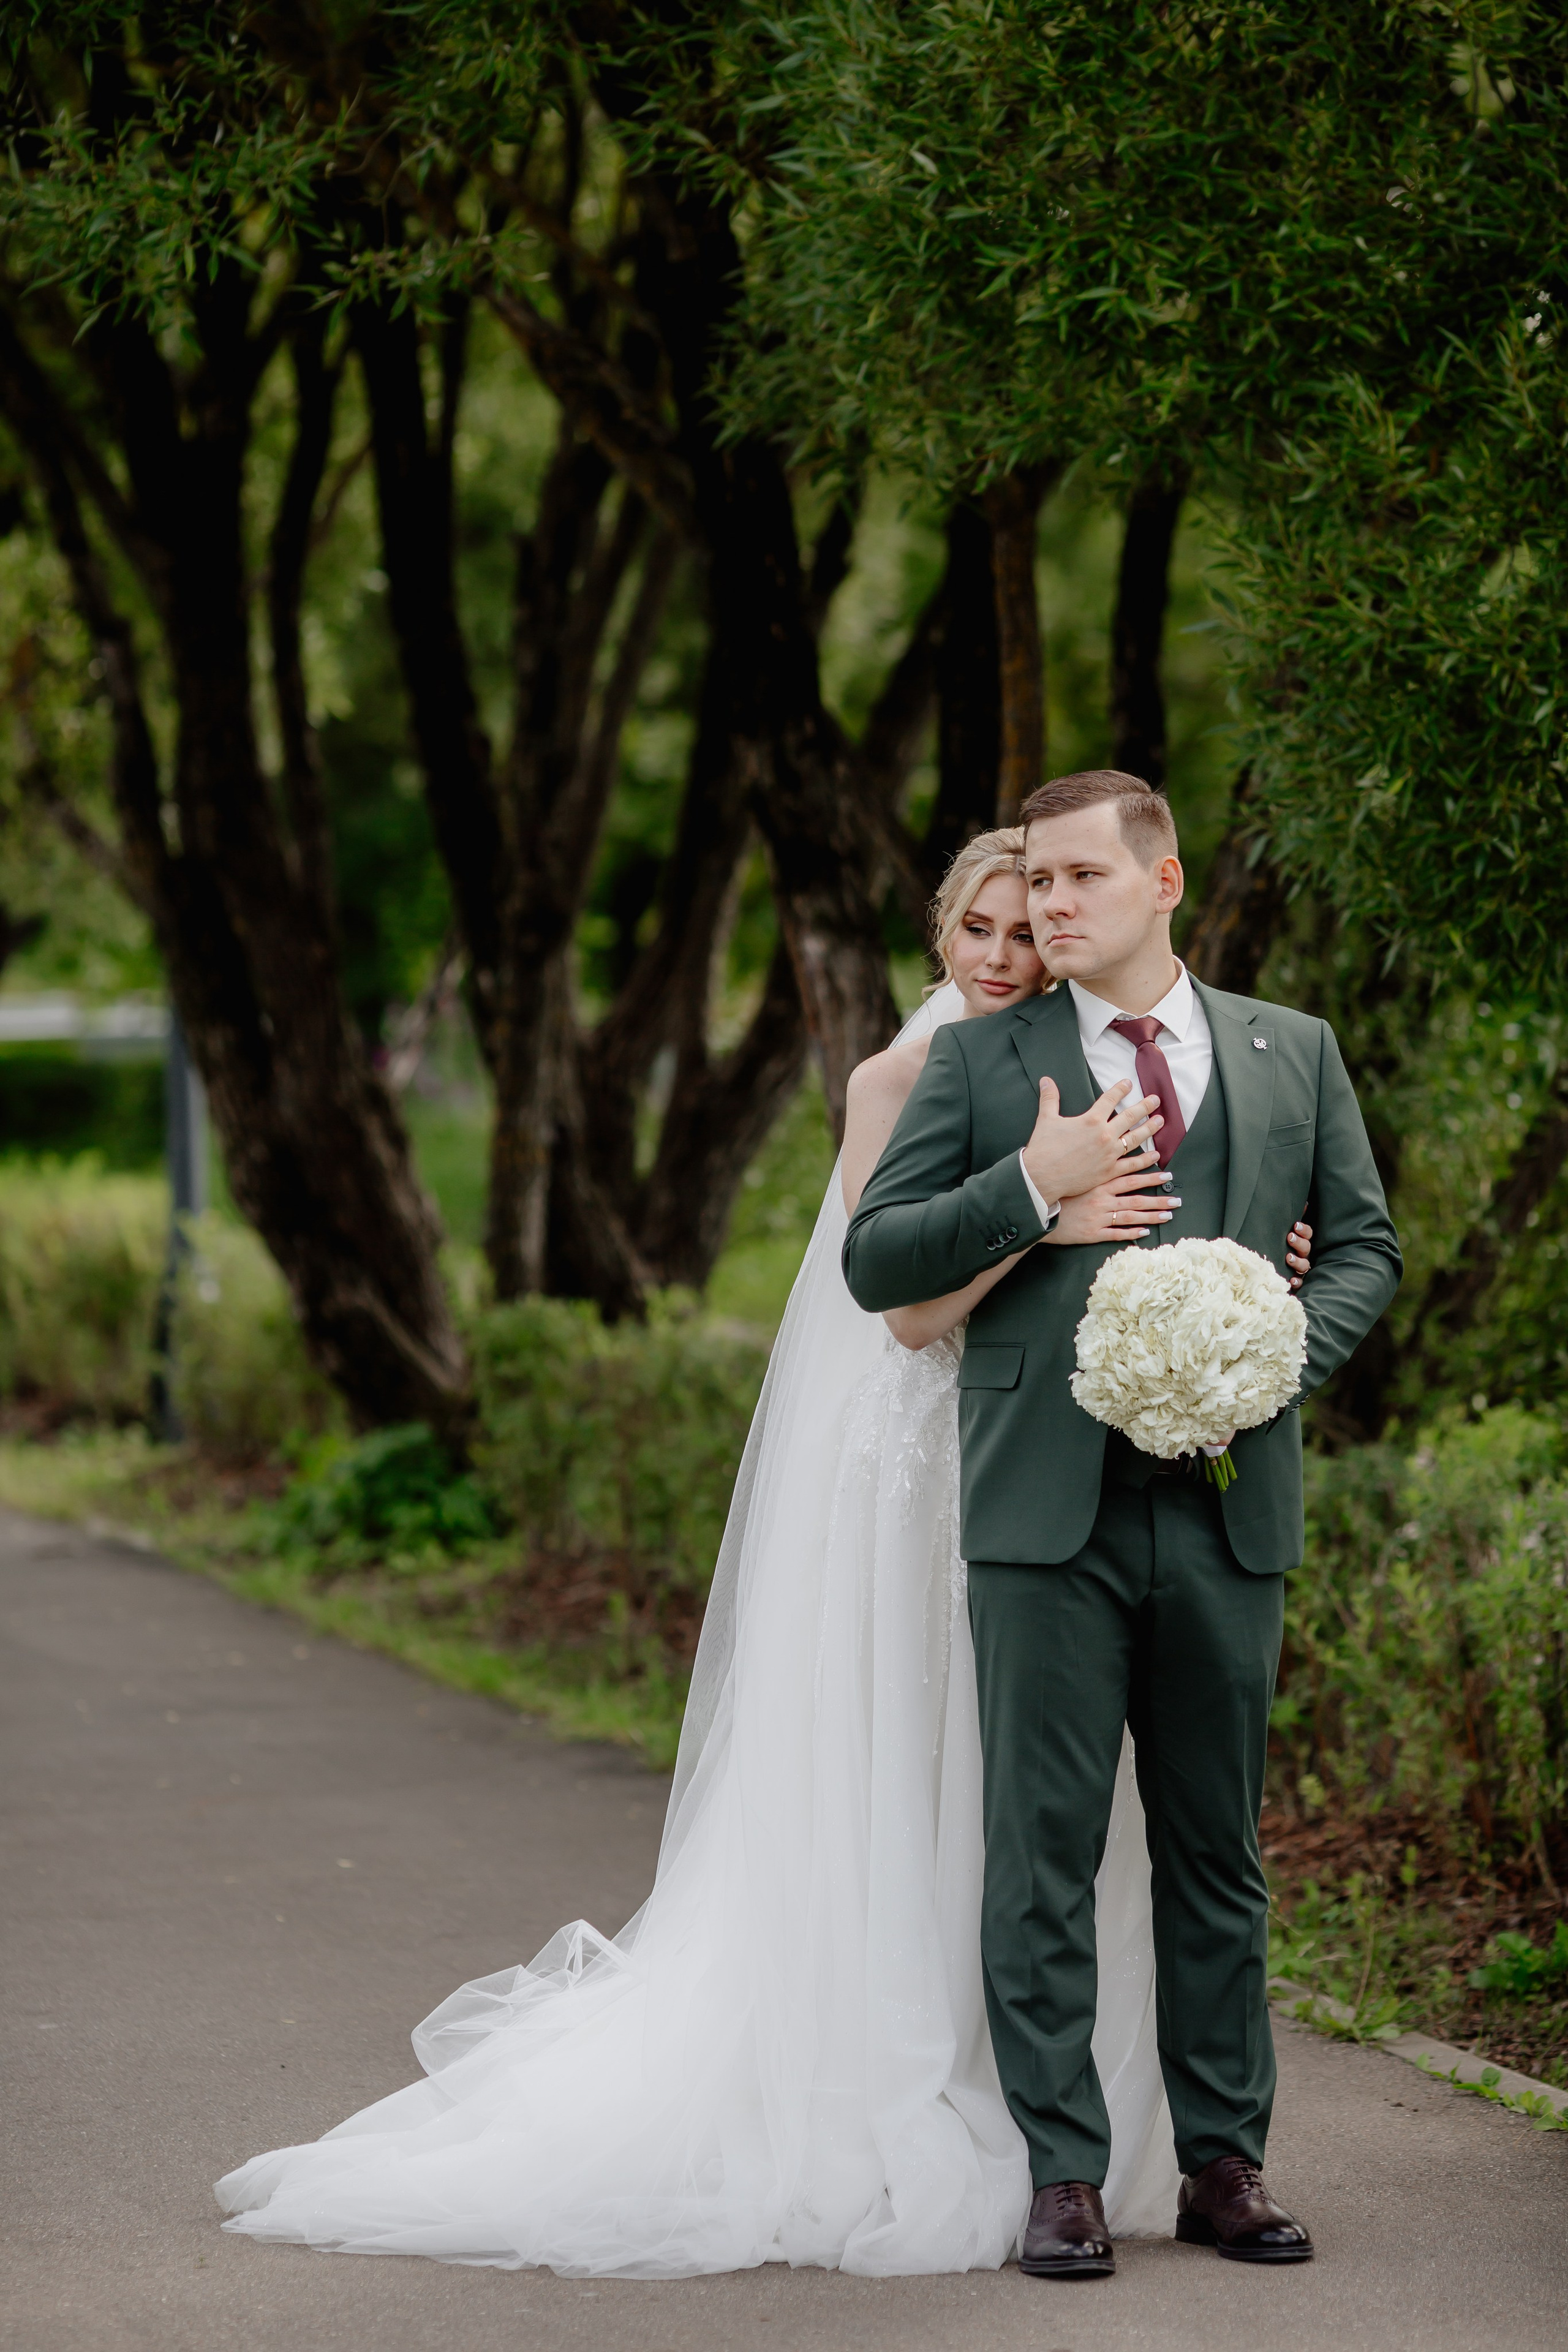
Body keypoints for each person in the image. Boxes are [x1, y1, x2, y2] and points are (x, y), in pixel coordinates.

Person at [216, 827, 1313, 2277]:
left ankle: (1127, 2130)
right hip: (938, 1480)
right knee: (949, 1808)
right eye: (978, 926)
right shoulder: (912, 1074)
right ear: (936, 936)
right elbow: (901, 1305)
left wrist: (1252, 1275)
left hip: (1093, 1480)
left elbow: (1182, 1229)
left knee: (1088, 1827)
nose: (1004, 949)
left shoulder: (1127, 1050)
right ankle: (962, 2111)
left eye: (1028, 922)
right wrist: (1044, 1204)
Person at [844, 772, 1400, 2280]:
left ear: (1163, 883)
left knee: (1215, 1852)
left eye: (1079, 876)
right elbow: (876, 1264)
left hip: (1228, 1510)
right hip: (1043, 1510)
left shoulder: (1292, 1052)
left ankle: (1225, 2166)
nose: (1045, 906)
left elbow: (1361, 1247)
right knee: (1041, 1853)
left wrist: (1273, 1340)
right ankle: (1062, 2176)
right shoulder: (978, 1056)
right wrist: (1030, 1182)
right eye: (1031, 879)